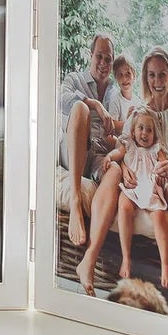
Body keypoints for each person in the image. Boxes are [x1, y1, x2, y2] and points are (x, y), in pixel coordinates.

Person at [76, 48, 168, 320]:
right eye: (151, 75)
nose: (157, 81)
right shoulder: (139, 113)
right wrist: (124, 167)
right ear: (145, 78)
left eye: (162, 75)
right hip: (147, 180)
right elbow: (124, 148)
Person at [58, 33, 116, 247]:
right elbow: (60, 99)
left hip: (97, 156)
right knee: (80, 108)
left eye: (108, 59)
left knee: (115, 170)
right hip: (73, 150)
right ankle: (75, 199)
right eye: (99, 56)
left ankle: (100, 245)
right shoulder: (75, 79)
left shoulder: (116, 91)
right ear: (90, 55)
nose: (103, 63)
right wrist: (94, 103)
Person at [110, 107, 168, 292]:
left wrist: (164, 170)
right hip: (132, 188)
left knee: (159, 218)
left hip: (150, 189)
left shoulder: (156, 149)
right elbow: (118, 153)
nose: (144, 133)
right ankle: (126, 257)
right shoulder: (129, 145)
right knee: (124, 206)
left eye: (149, 130)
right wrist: (109, 157)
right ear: (133, 131)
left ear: (154, 135)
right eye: (140, 128)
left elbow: (164, 164)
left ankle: (165, 266)